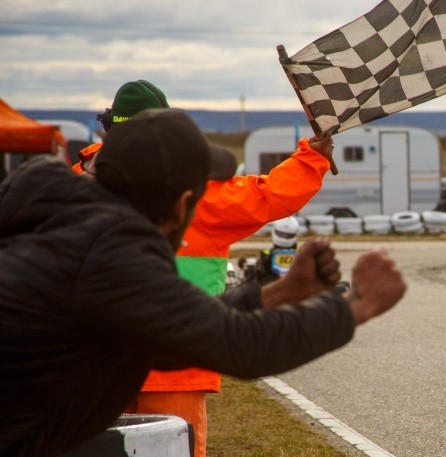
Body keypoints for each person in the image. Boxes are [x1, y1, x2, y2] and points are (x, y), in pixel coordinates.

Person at [0, 109, 405, 457]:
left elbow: (175, 328)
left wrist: (280, 293)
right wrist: (358, 306)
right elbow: (240, 345)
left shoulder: (71, 228)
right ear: (180, 207)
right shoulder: (109, 253)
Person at [77, 80, 334, 457]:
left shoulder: (73, 183)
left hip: (88, 364)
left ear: (109, 129)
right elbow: (268, 195)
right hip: (177, 361)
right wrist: (312, 157)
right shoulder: (199, 190)